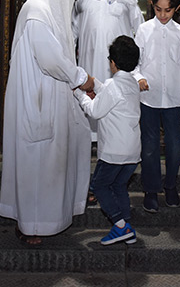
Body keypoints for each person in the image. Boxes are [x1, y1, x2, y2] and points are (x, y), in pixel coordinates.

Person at [0, 0, 94, 245]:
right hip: (36, 102)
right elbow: (50, 59)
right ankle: (31, 226)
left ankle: (51, 219)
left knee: (50, 164)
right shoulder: (37, 13)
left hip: (50, 98)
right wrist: (82, 78)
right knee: (37, 166)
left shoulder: (49, 12)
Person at [132, 0, 180, 213]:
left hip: (173, 98)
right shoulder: (143, 30)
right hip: (148, 97)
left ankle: (170, 185)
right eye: (158, 9)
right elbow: (135, 63)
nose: (162, 15)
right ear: (152, 6)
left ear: (176, 9)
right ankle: (150, 190)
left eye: (167, 10)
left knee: (175, 146)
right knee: (149, 146)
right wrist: (139, 77)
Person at [73, 35, 141, 245]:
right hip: (132, 152)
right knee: (119, 186)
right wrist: (95, 84)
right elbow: (111, 94)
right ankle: (126, 226)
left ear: (112, 62)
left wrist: (79, 95)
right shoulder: (133, 84)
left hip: (114, 151)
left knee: (100, 186)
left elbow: (94, 111)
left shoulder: (113, 85)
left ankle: (120, 225)